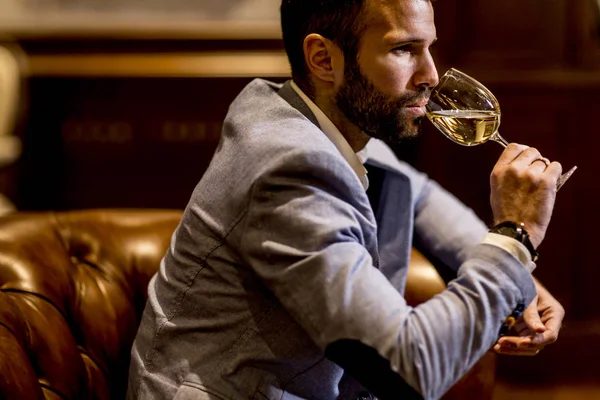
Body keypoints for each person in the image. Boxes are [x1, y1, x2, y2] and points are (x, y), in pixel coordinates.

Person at [127, 0, 566, 398]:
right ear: (323, 59)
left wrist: (519, 282)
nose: (431, 75)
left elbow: (418, 194)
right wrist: (515, 237)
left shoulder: (318, 114)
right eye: (404, 50)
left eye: (429, 47)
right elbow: (409, 368)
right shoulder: (288, 167)